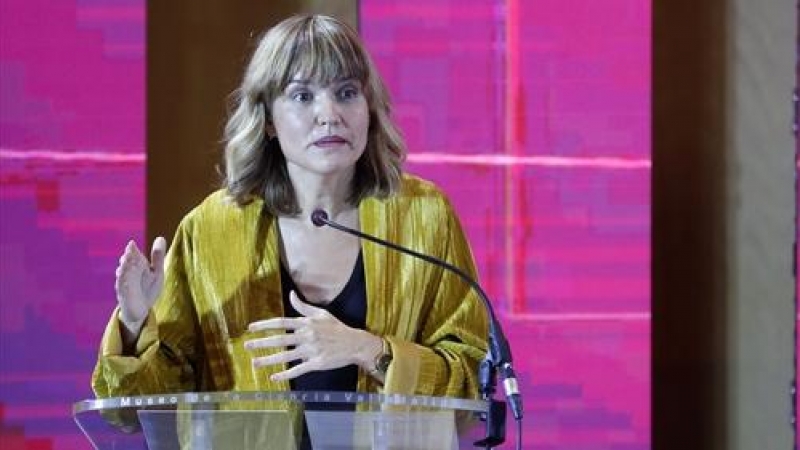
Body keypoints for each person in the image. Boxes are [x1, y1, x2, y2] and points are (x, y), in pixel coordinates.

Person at [92, 14, 488, 412]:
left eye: (347, 92)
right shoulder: (211, 229)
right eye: (303, 96)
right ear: (267, 120)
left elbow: (471, 378)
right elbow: (144, 407)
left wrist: (371, 351)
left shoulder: (423, 217)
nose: (329, 113)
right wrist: (133, 323)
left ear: (369, 107)